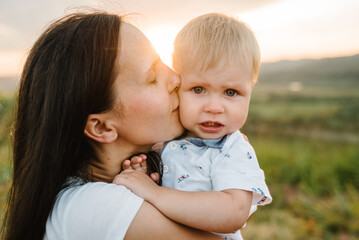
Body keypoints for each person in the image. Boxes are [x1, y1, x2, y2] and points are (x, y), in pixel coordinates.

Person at [0, 11, 225, 240]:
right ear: (102, 128)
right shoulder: (94, 208)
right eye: (152, 78)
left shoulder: (118, 189)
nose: (175, 79)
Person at [114, 13, 272, 240]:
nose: (215, 107)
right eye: (198, 89)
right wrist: (143, 175)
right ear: (177, 85)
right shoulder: (165, 139)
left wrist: (153, 192)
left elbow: (233, 212)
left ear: (250, 91)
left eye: (231, 92)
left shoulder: (232, 148)